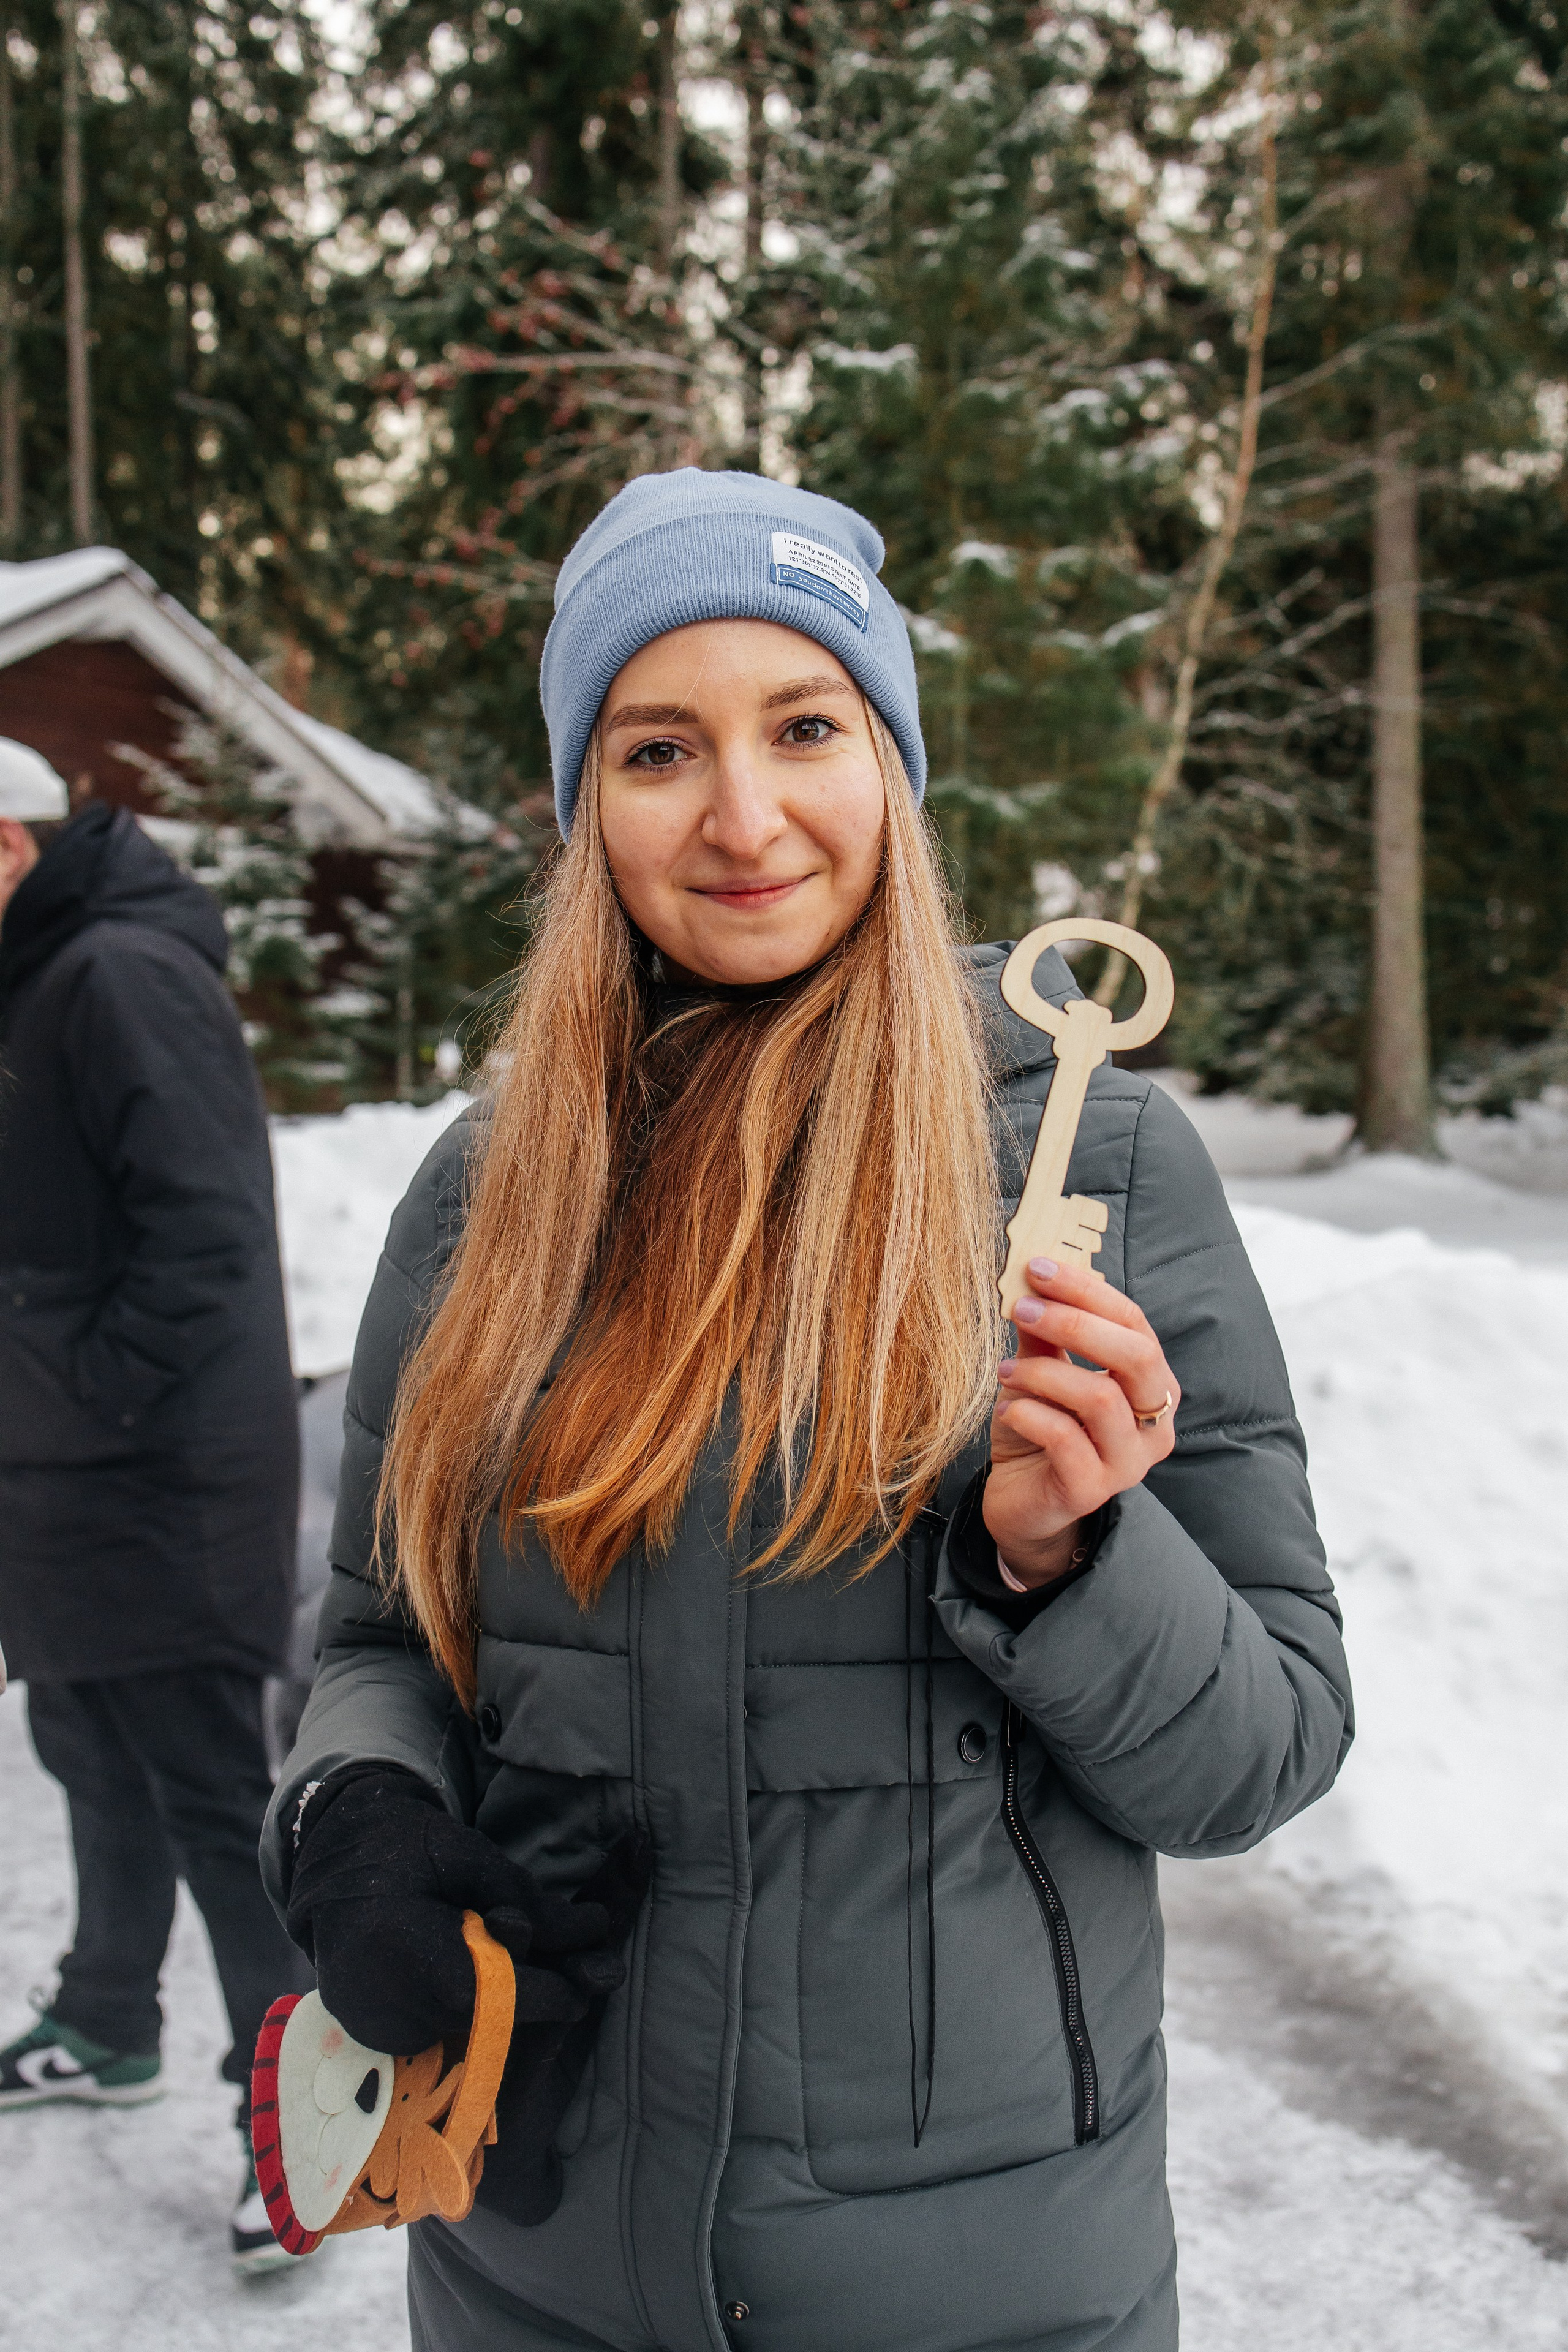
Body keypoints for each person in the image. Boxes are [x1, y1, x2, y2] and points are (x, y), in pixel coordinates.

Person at [264, 470, 1353, 2351]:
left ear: (893, 767)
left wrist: (1073, 1558)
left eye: (806, 728)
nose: (744, 816)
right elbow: (380, 1631)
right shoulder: (486, 1191)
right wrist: (358, 1809)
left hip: (978, 2292)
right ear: (586, 800)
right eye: (660, 746)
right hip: (537, 2264)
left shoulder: (1091, 1164)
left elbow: (1259, 1755)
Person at [0, 742, 309, 2273]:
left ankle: (306, 2127)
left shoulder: (117, 968)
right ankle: (107, 2019)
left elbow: (208, 1240)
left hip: (162, 1473)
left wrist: (73, 1381)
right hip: (63, 1468)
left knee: (201, 1788)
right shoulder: (40, 967)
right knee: (84, 1748)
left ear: (4, 843)